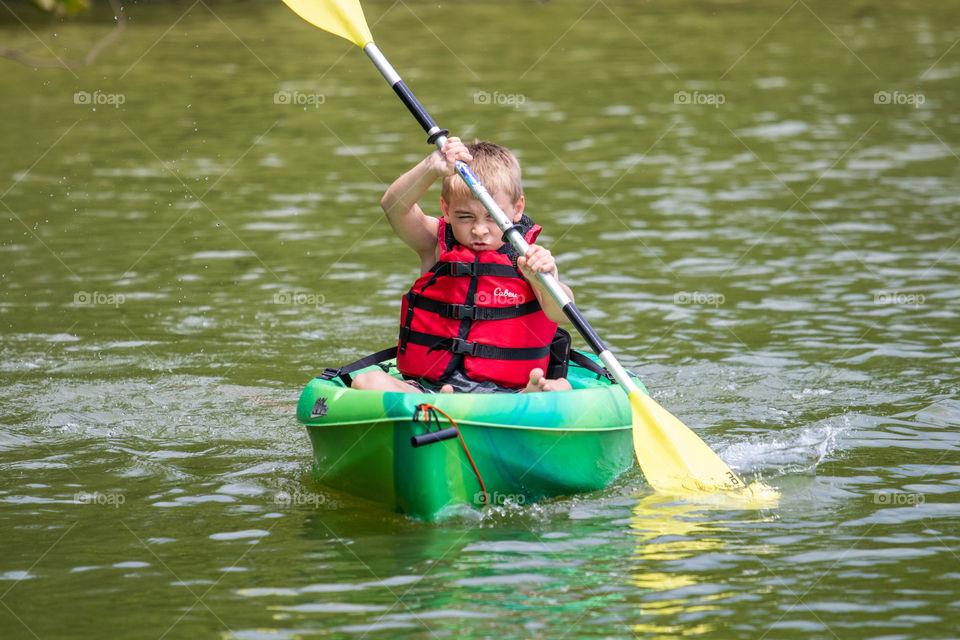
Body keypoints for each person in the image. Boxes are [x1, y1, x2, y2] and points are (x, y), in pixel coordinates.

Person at [352, 137, 574, 394]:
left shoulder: (531, 257)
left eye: (493, 217)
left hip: (508, 393)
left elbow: (562, 313)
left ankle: (531, 392)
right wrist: (431, 167)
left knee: (562, 387)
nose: (479, 230)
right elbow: (393, 206)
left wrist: (539, 278)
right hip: (431, 388)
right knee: (366, 381)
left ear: (517, 209)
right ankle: (444, 403)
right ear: (445, 209)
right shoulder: (433, 243)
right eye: (465, 217)